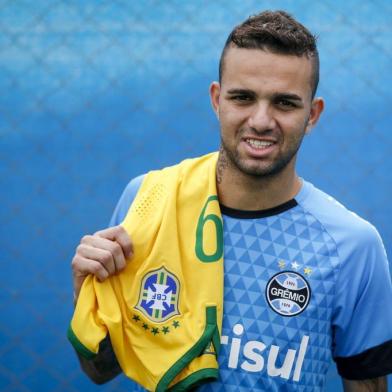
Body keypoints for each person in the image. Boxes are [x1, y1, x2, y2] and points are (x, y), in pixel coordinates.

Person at [69, 10, 392, 392]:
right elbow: (102, 370)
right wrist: (85, 292)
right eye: (243, 97)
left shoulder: (352, 246)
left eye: (285, 104)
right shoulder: (149, 200)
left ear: (312, 115)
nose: (261, 120)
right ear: (217, 100)